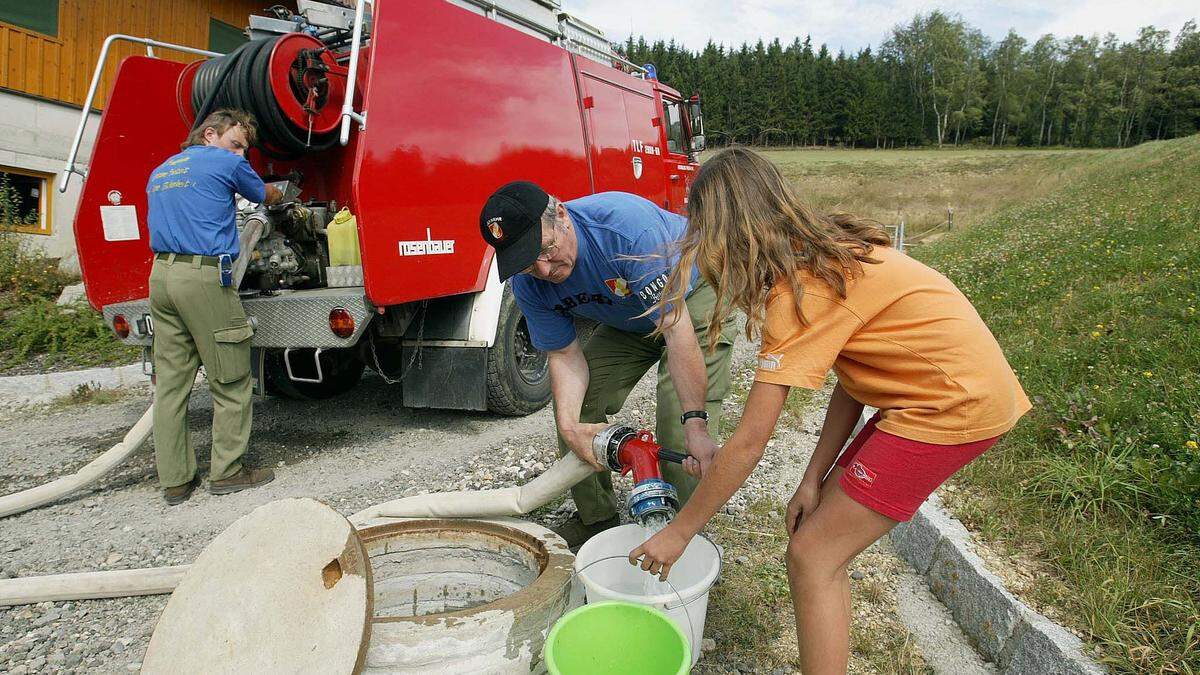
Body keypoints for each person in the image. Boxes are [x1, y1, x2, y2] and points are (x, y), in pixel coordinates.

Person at [629, 148, 1031, 674]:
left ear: (723, 232)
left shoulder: (800, 293)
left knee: (812, 556)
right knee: (818, 542)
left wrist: (680, 531)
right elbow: (856, 378)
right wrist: (812, 478)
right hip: (934, 395)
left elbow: (750, 443)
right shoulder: (819, 254)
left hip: (949, 407)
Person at [479, 182, 737, 548]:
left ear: (562, 215)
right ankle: (596, 521)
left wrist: (695, 422)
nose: (544, 268)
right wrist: (570, 429)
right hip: (629, 317)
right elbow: (564, 355)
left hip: (690, 297)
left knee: (677, 417)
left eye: (547, 249)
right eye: (526, 262)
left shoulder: (624, 230)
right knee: (576, 414)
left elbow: (676, 332)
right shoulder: (529, 283)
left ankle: (684, 536)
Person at [146, 109, 282, 505]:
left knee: (171, 386)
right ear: (210, 134)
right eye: (236, 144)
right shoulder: (222, 162)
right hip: (202, 278)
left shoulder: (163, 169)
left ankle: (175, 481)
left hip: (161, 278)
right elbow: (263, 195)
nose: (240, 155)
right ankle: (228, 471)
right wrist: (280, 193)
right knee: (231, 379)